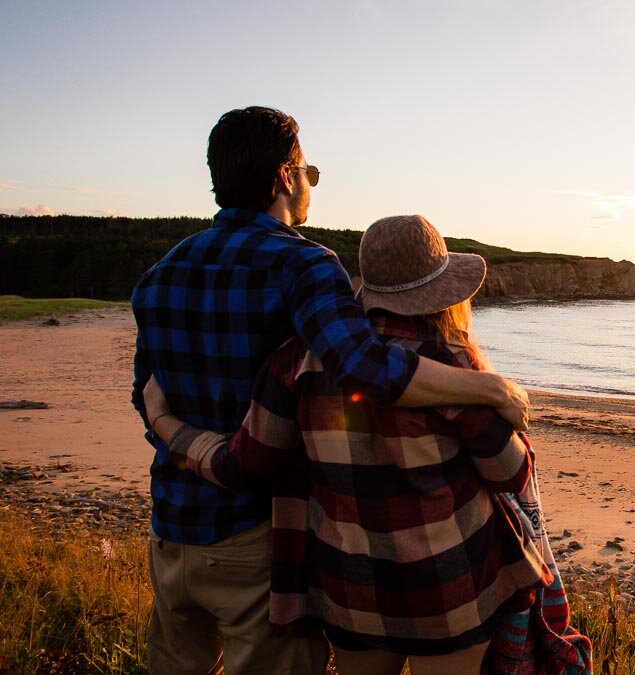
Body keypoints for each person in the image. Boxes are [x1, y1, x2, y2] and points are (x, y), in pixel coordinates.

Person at [131, 107, 529, 674]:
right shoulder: (305, 265)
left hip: (173, 525)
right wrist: (486, 386)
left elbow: (148, 396)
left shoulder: (161, 273)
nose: (310, 184)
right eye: (308, 171)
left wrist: (171, 430)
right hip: (259, 533)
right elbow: (362, 366)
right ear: (286, 178)